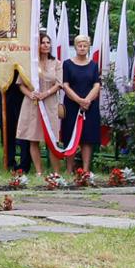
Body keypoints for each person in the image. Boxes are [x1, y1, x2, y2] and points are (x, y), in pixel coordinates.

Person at [16, 32, 64, 177]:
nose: (45, 45)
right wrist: (30, 94)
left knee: (52, 139)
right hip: (32, 103)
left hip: (49, 103)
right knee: (33, 138)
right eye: (42, 42)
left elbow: (59, 84)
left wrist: (46, 93)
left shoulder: (56, 63)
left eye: (48, 42)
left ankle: (56, 173)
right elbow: (21, 84)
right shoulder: (30, 63)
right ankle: (39, 171)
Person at [63, 34, 104, 175]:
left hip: (89, 106)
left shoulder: (93, 65)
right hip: (72, 105)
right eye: (79, 45)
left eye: (85, 45)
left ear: (88, 47)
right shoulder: (67, 64)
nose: (82, 48)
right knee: (70, 137)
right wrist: (79, 100)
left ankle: (85, 170)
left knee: (87, 138)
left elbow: (97, 85)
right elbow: (65, 85)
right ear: (75, 47)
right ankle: (69, 170)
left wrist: (87, 101)